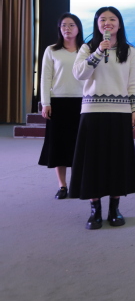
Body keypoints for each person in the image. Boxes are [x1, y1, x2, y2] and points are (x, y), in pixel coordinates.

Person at [70, 6, 135, 230]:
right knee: (93, 161)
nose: (107, 23)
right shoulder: (87, 48)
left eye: (112, 19)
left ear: (119, 24)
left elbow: (134, 82)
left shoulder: (129, 51)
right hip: (92, 112)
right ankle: (95, 209)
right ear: (97, 24)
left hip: (120, 113)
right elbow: (79, 74)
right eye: (102, 19)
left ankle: (114, 208)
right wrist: (99, 52)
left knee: (117, 161)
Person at [38, 13, 85, 200]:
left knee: (79, 145)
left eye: (71, 25)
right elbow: (45, 78)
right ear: (59, 29)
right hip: (58, 102)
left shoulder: (86, 50)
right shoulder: (52, 50)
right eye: (64, 25)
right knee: (59, 145)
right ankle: (62, 185)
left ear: (78, 28)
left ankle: (78, 183)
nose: (67, 28)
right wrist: (46, 103)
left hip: (83, 102)